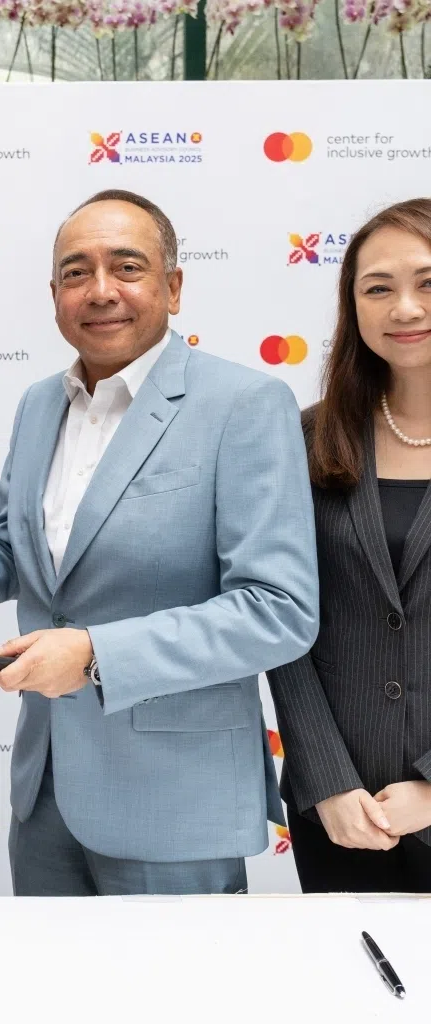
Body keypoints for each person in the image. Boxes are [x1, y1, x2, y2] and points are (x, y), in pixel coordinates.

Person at [0, 189, 318, 896]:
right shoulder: (40, 404)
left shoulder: (243, 406)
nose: (101, 290)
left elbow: (277, 610)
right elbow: (11, 554)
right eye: (77, 272)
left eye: (127, 267)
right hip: (46, 792)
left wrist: (95, 656)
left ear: (173, 287)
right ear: (54, 294)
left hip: (173, 806)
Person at [267, 198, 431, 893]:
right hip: (342, 814)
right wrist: (327, 782)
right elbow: (280, 621)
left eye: (428, 282)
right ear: (353, 306)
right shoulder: (306, 439)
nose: (405, 308)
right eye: (378, 288)